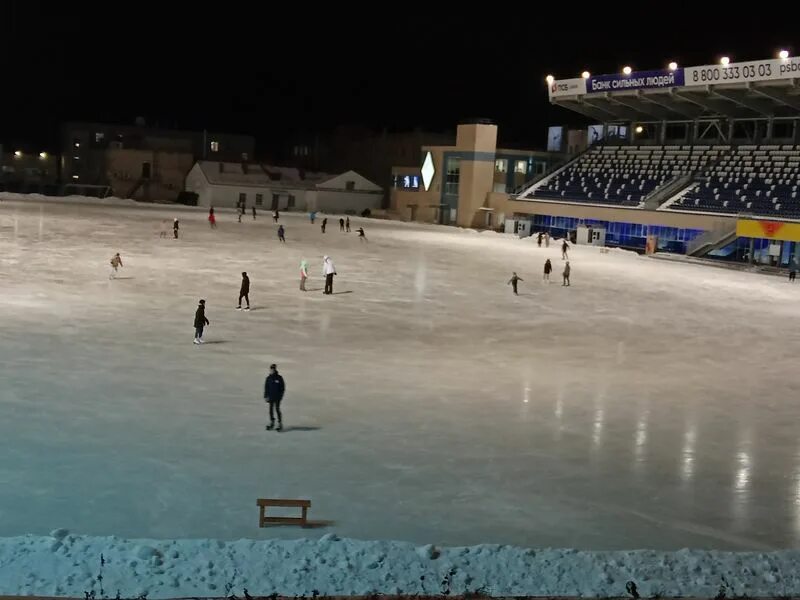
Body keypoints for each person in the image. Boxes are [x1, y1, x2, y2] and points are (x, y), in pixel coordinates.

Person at [264, 364, 286, 431]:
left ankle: (280, 423)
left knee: (277, 409)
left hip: (277, 397)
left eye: (273, 369)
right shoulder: (268, 378)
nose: (272, 370)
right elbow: (266, 388)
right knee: (270, 410)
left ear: (275, 370)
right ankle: (272, 422)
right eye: (271, 369)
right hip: (271, 397)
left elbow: (282, 388)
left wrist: (280, 396)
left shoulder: (279, 378)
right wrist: (266, 396)